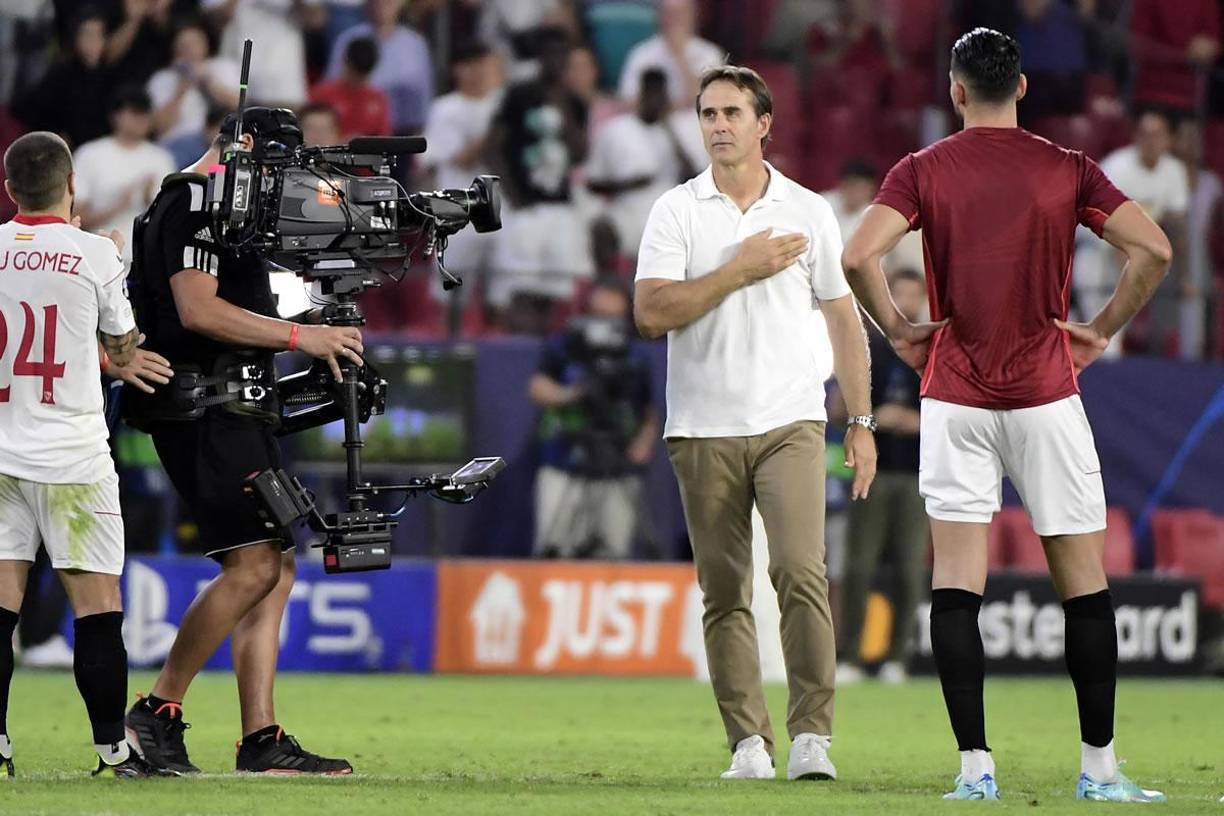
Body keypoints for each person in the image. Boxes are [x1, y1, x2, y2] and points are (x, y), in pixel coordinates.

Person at [841, 28, 1172, 802]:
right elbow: (1153, 250)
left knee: (956, 584)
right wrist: (1101, 329)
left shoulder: (921, 169)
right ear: (1021, 88)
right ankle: (1099, 771)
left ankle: (974, 772)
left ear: (956, 92)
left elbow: (859, 257)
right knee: (1083, 585)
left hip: (954, 396)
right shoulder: (1069, 168)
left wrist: (897, 330)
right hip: (1047, 393)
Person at [634, 65, 876, 781]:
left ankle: (812, 737)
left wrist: (858, 421)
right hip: (701, 424)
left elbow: (843, 318)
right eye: (708, 112)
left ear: (764, 123)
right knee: (724, 590)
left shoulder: (808, 211)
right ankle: (748, 742)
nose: (718, 125)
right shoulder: (676, 211)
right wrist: (739, 268)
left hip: (790, 420)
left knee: (802, 572)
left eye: (733, 112)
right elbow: (651, 315)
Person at [121, 108, 361, 776]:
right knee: (253, 567)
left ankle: (261, 739)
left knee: (275, 569)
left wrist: (308, 321)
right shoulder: (192, 200)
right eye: (276, 164)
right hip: (204, 407)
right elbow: (197, 310)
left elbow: (235, 308)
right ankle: (156, 711)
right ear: (243, 145)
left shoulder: (228, 208)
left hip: (236, 406)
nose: (280, 182)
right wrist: (299, 337)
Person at [0, 131, 174, 778]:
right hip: (72, 457)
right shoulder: (94, 252)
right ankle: (111, 750)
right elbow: (125, 350)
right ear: (72, 186)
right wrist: (113, 347)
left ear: (10, 188)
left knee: (0, 608)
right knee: (97, 608)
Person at [835, 268, 927, 687]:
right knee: (858, 566)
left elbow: (957, 415)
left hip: (914, 473)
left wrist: (915, 421)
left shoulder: (932, 353)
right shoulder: (868, 348)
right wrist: (870, 418)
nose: (905, 303)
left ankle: (898, 658)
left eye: (913, 295)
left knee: (910, 569)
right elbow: (838, 408)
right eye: (899, 294)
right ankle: (850, 655)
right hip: (869, 471)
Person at [529, 279, 657, 559]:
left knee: (613, 551)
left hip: (617, 462)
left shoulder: (636, 356)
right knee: (556, 550)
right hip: (565, 457)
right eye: (597, 315)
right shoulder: (564, 347)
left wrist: (642, 446)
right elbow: (537, 387)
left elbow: (649, 411)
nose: (604, 325)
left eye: (612, 318)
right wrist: (571, 395)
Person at [489, 25, 591, 334]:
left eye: (562, 55)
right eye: (550, 54)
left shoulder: (574, 101)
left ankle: (541, 351)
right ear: (539, 57)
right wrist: (512, 196)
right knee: (520, 286)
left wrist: (563, 104)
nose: (556, 61)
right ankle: (516, 351)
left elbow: (580, 154)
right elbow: (493, 147)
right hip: (524, 203)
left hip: (560, 205)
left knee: (553, 289)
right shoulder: (519, 94)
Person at [1075, 111, 1188, 356]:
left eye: (1157, 135)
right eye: (1145, 135)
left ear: (1169, 140)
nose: (1151, 141)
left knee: (1110, 335)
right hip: (1093, 250)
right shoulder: (1117, 167)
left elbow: (1178, 228)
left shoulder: (1174, 172)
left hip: (1132, 252)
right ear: (1135, 137)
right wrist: (1129, 277)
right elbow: (1112, 232)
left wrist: (1186, 275)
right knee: (1103, 335)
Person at [587, 68, 703, 253]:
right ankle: (608, 282)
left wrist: (669, 130)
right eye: (651, 94)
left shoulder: (680, 129)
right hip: (627, 212)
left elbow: (695, 177)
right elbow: (592, 183)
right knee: (602, 230)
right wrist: (627, 185)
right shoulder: (616, 128)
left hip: (668, 214)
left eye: (661, 95)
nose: (656, 101)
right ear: (642, 94)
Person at [72, 85, 176, 268]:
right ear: (116, 116)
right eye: (134, 112)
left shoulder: (161, 158)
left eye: (145, 113)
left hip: (144, 261)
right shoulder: (90, 154)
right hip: (97, 257)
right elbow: (75, 214)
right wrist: (118, 204)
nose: (141, 119)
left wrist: (149, 200)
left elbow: (171, 219)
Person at [326, 0, 433, 136]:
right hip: (354, 131)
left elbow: (423, 93)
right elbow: (331, 86)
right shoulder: (349, 39)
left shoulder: (415, 43)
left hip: (403, 130)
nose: (383, 4)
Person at [11, 10, 114, 149]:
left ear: (105, 39)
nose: (92, 40)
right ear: (76, 38)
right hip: (63, 153)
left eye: (97, 34)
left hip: (100, 152)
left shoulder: (113, 77)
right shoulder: (61, 75)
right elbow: (27, 109)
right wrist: (55, 135)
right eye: (87, 34)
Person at [147, 18, 241, 167]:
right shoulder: (162, 79)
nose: (189, 49)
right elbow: (158, 127)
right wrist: (181, 89)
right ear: (174, 49)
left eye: (194, 43)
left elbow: (239, 106)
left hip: (218, 140)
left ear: (206, 44)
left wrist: (207, 82)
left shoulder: (222, 68)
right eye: (183, 45)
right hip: (176, 145)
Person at [618, 0, 724, 109]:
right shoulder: (642, 53)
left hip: (693, 120)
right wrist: (670, 108)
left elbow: (708, 101)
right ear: (660, 17)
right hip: (652, 119)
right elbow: (628, 99)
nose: (675, 20)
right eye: (670, 14)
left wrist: (680, 56)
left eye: (680, 14)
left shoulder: (710, 53)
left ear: (692, 17)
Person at [309, 36, 392, 141]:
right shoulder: (321, 94)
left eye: (362, 77)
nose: (358, 82)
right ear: (346, 62)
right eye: (354, 75)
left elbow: (384, 138)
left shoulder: (378, 99)